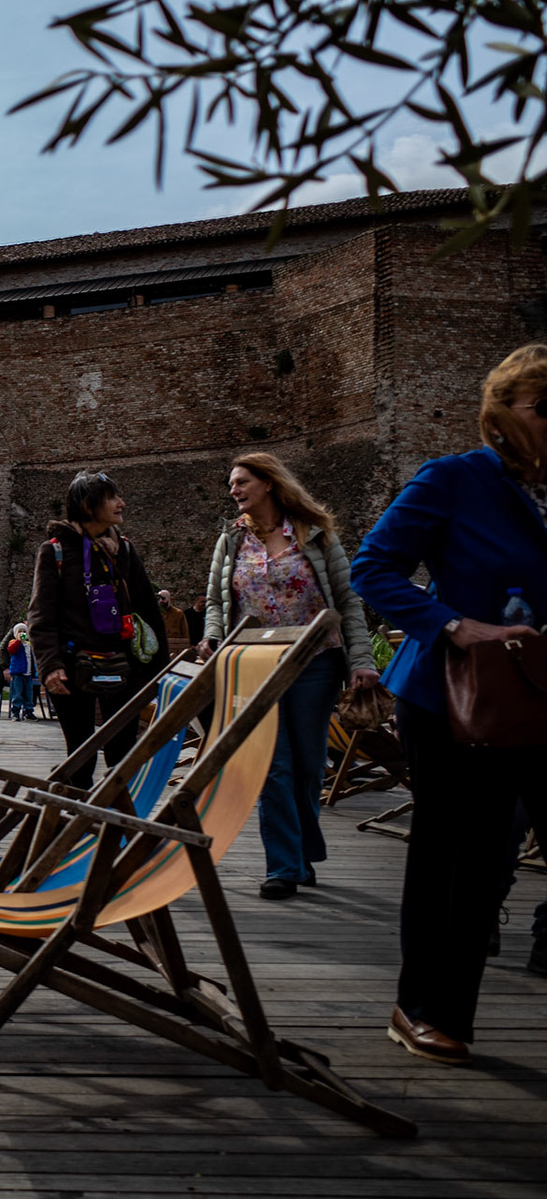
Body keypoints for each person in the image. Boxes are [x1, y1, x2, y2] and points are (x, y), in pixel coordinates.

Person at [349, 342, 547, 1065]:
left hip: (542, 694)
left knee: (485, 856)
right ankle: (427, 1010)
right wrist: (455, 624)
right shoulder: (455, 479)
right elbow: (373, 568)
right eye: (544, 407)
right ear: (501, 415)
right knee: (461, 857)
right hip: (458, 699)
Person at [202, 452, 378, 900]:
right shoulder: (231, 539)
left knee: (309, 764)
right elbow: (218, 601)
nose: (233, 490)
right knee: (272, 764)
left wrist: (363, 660)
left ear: (269, 483)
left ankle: (302, 852)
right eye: (231, 483)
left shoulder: (315, 534)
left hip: (316, 662)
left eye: (242, 482)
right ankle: (283, 865)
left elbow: (347, 601)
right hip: (253, 664)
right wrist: (213, 636)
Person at [28, 471, 170, 787]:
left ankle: (118, 815)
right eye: (112, 498)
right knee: (80, 755)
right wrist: (50, 666)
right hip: (71, 668)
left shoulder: (125, 550)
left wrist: (158, 672)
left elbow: (148, 610)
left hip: (123, 667)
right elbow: (41, 615)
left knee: (122, 753)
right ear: (88, 506)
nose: (121, 503)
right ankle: (78, 815)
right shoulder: (55, 551)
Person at [5, 622, 39, 720]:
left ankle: (28, 711)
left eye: (24, 631)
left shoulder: (28, 644)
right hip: (18, 672)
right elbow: (11, 650)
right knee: (17, 694)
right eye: (20, 631)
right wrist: (18, 640)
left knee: (29, 694)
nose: (22, 633)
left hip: (28, 673)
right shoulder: (13, 642)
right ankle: (15, 712)